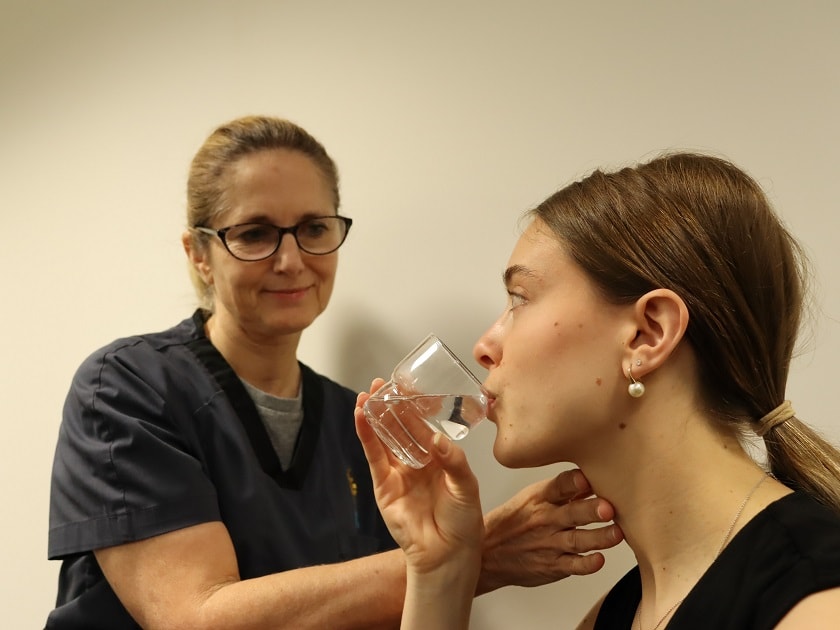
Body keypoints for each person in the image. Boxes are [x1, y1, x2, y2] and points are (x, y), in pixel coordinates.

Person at [46, 115, 623, 629]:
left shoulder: (364, 425)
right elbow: (192, 618)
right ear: (199, 252)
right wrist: (475, 554)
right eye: (255, 233)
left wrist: (451, 562)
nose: (292, 259)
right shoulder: (126, 389)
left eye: (315, 228)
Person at [354, 151, 840, 629]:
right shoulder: (625, 609)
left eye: (519, 299)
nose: (485, 346)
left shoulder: (816, 604)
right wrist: (441, 570)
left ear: (647, 334)